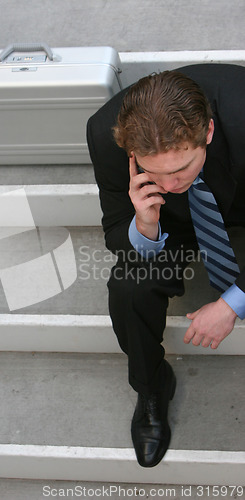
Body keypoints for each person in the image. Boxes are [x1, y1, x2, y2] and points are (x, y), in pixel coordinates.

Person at [86, 64, 245, 468]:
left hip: (240, 200)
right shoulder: (105, 133)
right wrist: (145, 223)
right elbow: (114, 229)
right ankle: (152, 388)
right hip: (170, 225)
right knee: (127, 286)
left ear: (207, 132)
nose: (171, 185)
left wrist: (232, 304)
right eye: (156, 173)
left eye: (180, 169)